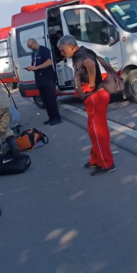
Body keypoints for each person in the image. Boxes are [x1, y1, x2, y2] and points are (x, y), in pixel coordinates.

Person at [58, 35, 116, 176]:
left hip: (95, 97)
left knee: (98, 131)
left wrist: (90, 85)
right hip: (97, 97)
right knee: (93, 130)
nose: (62, 53)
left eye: (62, 50)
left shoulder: (80, 55)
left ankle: (106, 163)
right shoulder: (84, 51)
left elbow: (89, 64)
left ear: (71, 47)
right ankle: (96, 159)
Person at [25, 39, 62, 125]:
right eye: (28, 47)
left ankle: (57, 117)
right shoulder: (33, 54)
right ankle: (51, 117)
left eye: (30, 46)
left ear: (35, 43)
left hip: (47, 78)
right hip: (39, 79)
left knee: (51, 99)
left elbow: (49, 62)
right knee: (45, 100)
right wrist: (31, 68)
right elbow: (35, 64)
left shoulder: (44, 50)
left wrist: (37, 68)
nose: (30, 48)